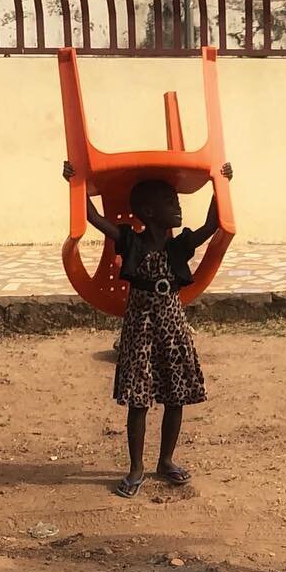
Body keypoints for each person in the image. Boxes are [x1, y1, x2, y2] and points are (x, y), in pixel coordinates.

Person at [62, 160, 234, 498]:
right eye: (171, 203)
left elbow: (214, 223)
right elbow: (95, 219)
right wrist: (75, 183)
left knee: (176, 396)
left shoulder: (179, 246)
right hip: (140, 330)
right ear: (150, 212)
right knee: (138, 402)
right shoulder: (130, 241)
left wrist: (221, 183)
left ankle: (165, 461)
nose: (178, 208)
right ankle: (136, 468)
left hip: (172, 329)